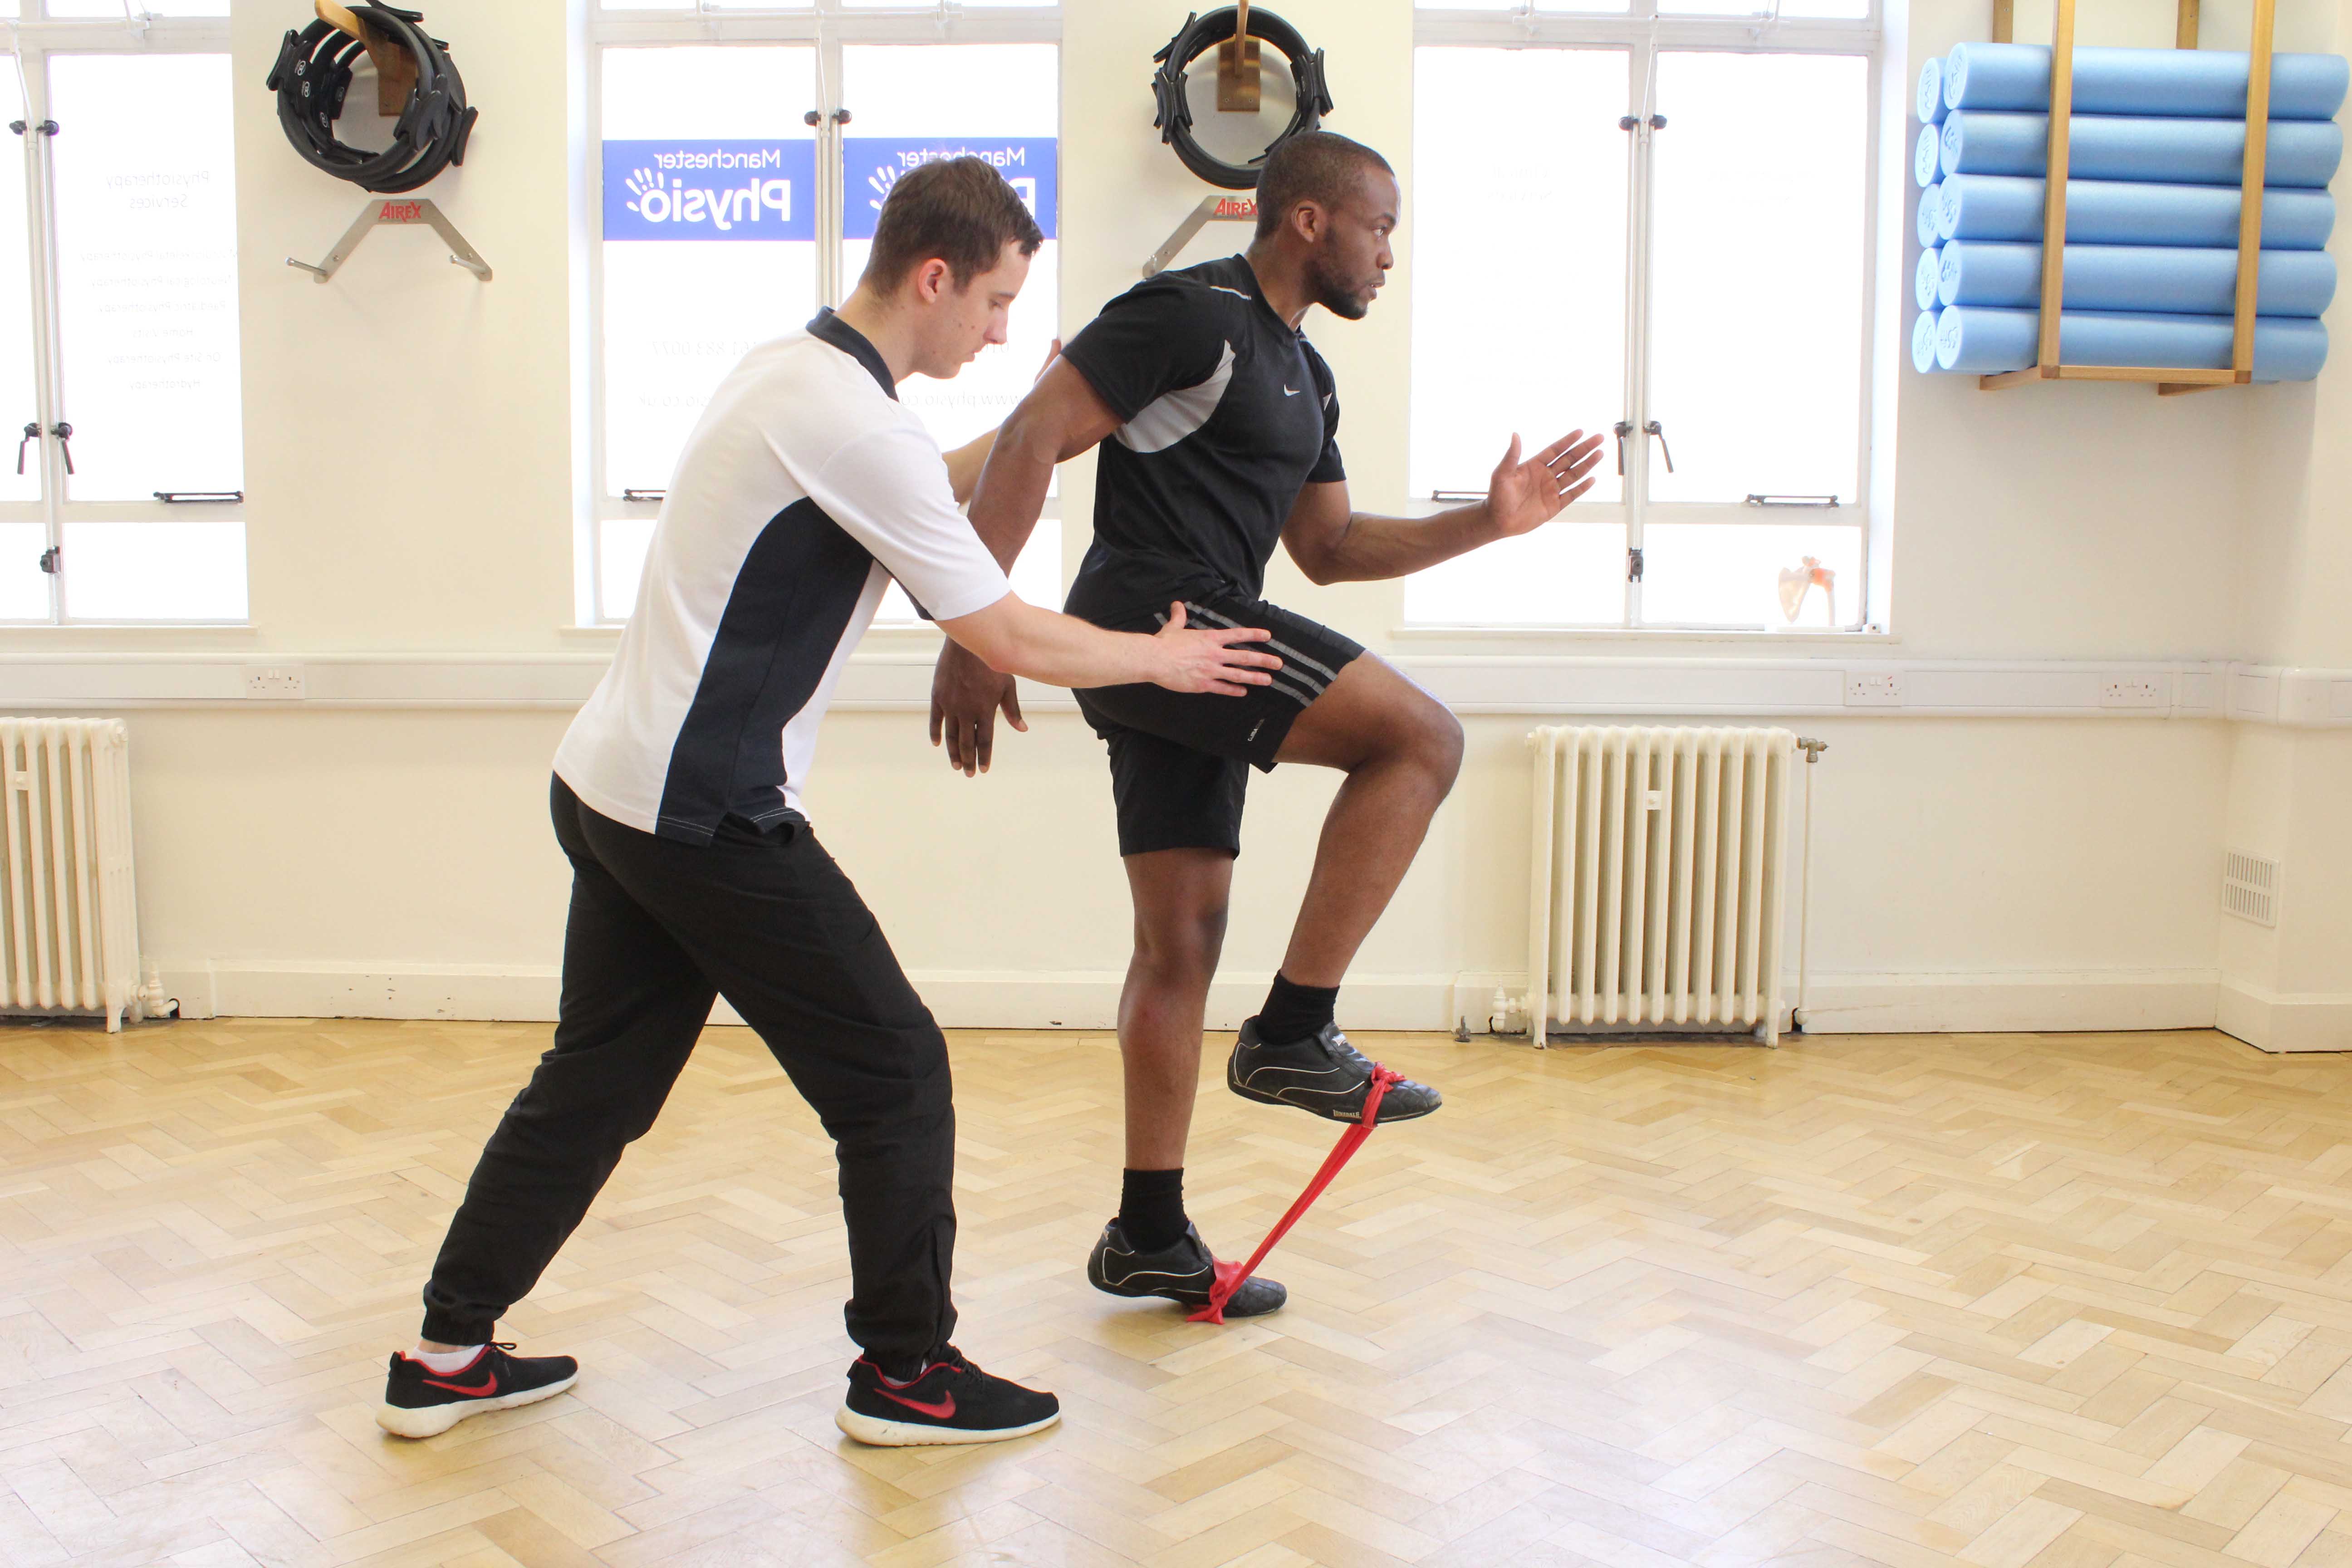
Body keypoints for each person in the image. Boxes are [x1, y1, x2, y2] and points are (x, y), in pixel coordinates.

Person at [378, 157, 1282, 1448]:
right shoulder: (855, 423)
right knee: (897, 1070)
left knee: (595, 1084)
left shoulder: (795, 374)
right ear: (934, 277)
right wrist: (1163, 657)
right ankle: (907, 1375)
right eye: (995, 303)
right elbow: (1007, 628)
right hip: (705, 815)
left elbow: (918, 476)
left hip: (611, 789)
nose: (1003, 329)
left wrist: (1033, 409)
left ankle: (445, 1351)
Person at [929, 131, 1605, 1318]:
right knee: (1423, 740)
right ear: (1307, 220)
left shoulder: (1307, 371)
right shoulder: (1189, 315)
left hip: (1198, 636)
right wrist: (980, 635)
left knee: (1179, 942)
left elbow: (1333, 552)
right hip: (1159, 616)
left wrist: (1486, 526)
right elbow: (1035, 434)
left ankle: (1148, 1232)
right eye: (1378, 227)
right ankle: (1293, 1029)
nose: (1389, 254)